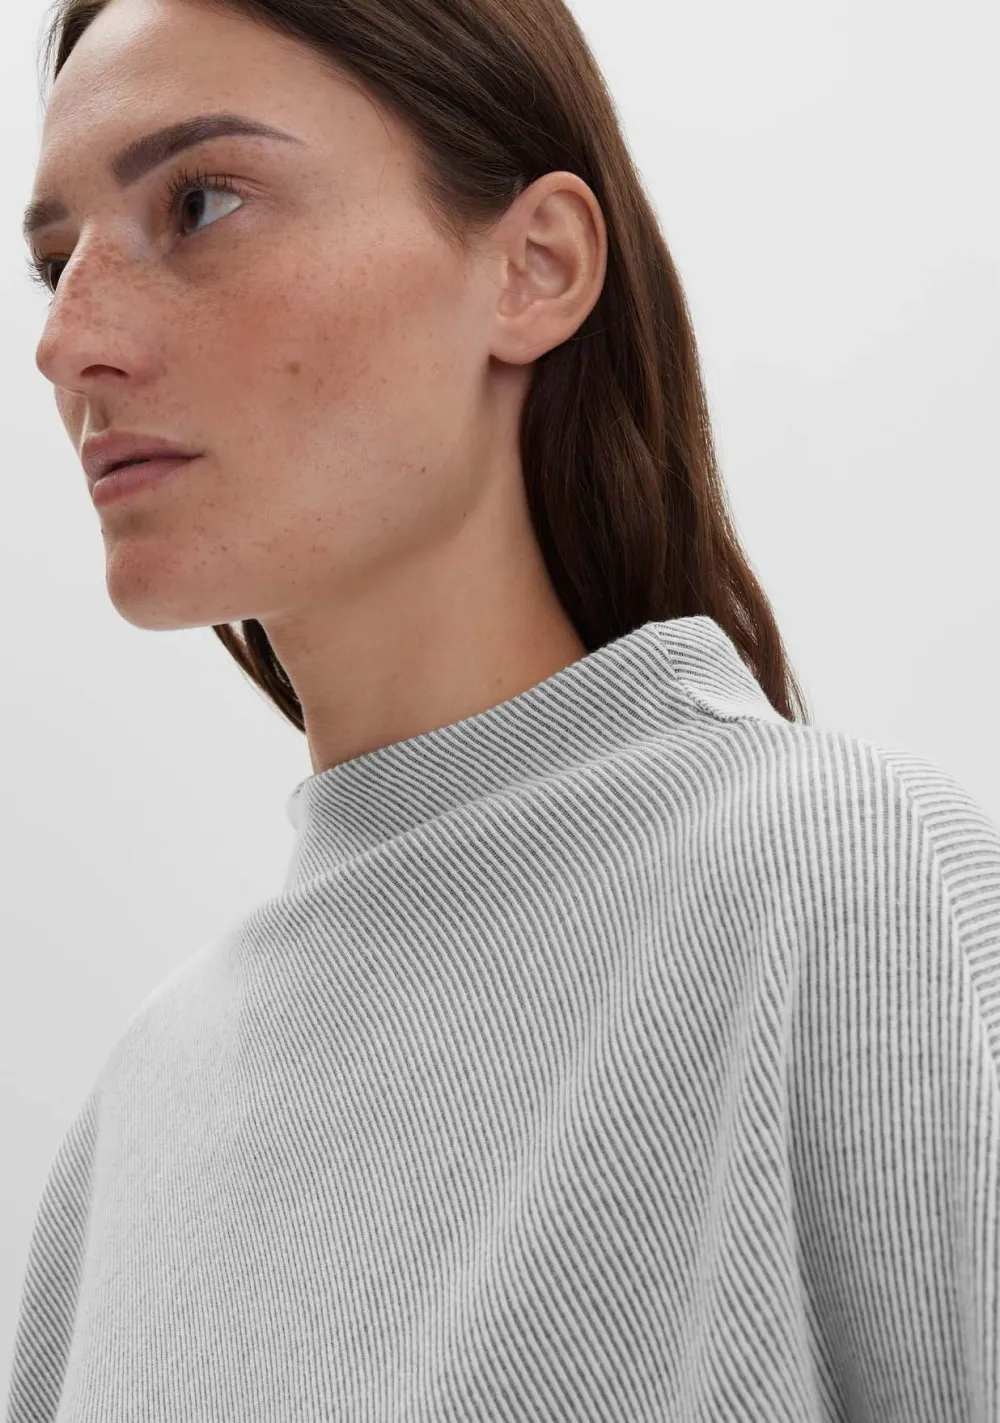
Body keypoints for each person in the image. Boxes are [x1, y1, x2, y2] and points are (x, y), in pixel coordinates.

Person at [8, 0, 999, 1419]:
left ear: (536, 267)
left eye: (202, 201)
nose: (69, 341)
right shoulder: (136, 1120)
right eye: (54, 264)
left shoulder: (844, 883)